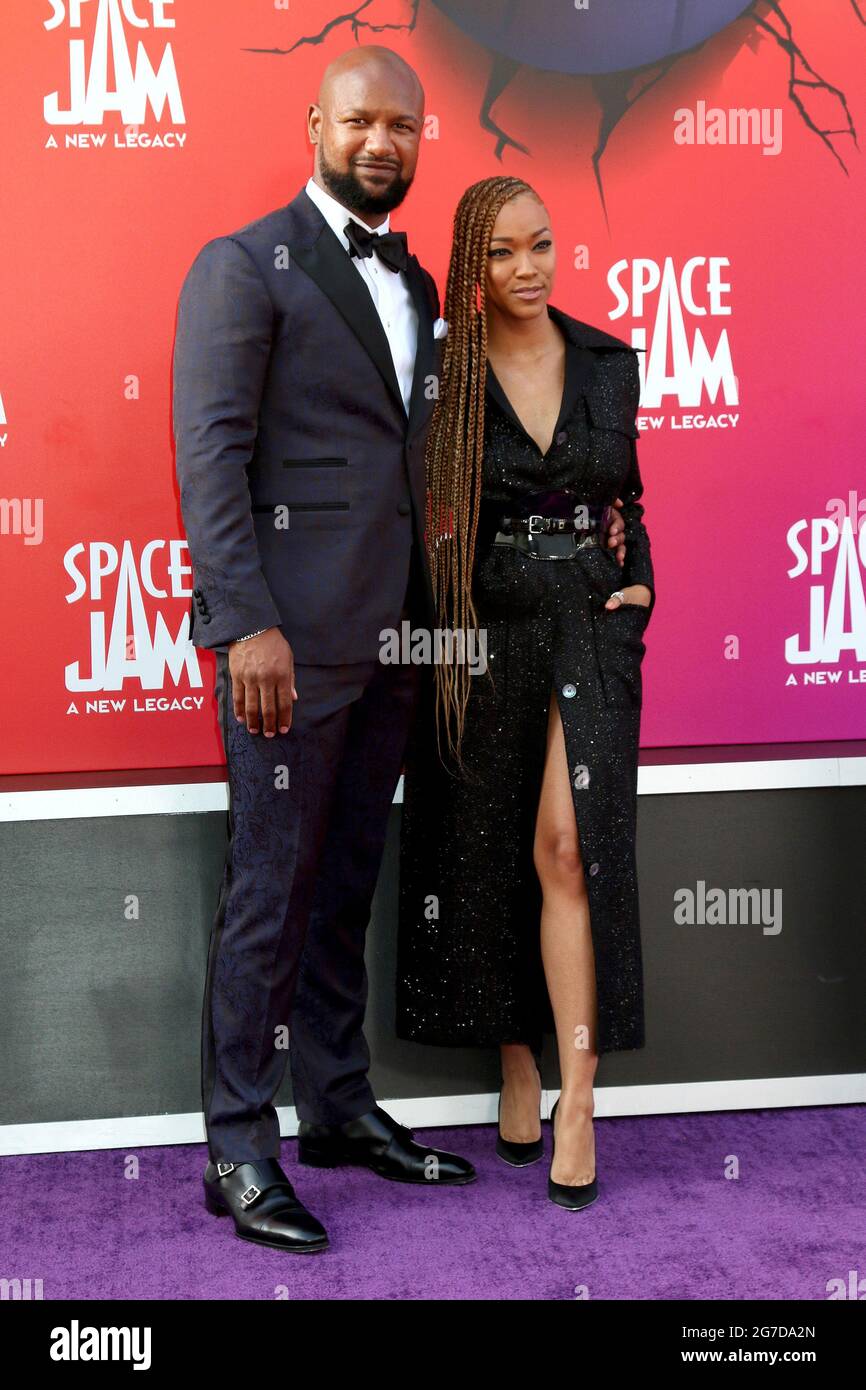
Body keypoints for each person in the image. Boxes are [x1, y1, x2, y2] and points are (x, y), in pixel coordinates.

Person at [171, 46, 487, 1253]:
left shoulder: (415, 277)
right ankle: (236, 1146)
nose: (379, 143)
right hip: (284, 650)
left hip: (392, 642)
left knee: (348, 880)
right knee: (269, 891)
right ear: (316, 122)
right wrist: (243, 620)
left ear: (420, 136)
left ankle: (339, 1107)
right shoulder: (244, 266)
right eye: (359, 120)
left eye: (400, 125)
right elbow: (210, 456)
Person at [397, 175, 655, 1210]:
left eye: (540, 244)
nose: (526, 267)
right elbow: (420, 516)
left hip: (588, 632)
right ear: (472, 264)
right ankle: (515, 1062)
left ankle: (579, 1095)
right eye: (501, 251)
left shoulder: (605, 361)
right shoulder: (444, 376)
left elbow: (624, 499)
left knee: (564, 846)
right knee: (494, 847)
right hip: (481, 637)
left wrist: (641, 589)